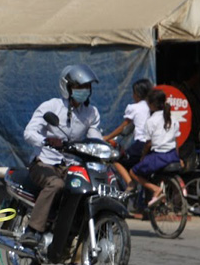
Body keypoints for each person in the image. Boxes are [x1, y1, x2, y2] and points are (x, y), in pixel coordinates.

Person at [20, 64, 104, 248]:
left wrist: (105, 147)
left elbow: (94, 137)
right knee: (55, 184)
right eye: (79, 87)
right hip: (44, 162)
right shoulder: (51, 106)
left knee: (87, 187)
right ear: (67, 87)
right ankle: (33, 231)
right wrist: (46, 140)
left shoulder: (91, 113)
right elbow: (29, 132)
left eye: (87, 87)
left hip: (72, 164)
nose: (84, 91)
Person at [129, 89, 181, 205]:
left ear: (151, 105)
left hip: (158, 157)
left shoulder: (151, 121)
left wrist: (143, 156)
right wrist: (178, 157)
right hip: (172, 155)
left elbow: (148, 144)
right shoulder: (173, 119)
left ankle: (155, 189)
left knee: (133, 171)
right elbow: (176, 141)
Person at [104, 77, 154, 191]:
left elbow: (123, 127)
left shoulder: (134, 108)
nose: (132, 96)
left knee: (116, 160)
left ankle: (130, 184)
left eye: (133, 93)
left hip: (141, 144)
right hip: (154, 144)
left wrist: (108, 137)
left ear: (137, 94)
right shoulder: (153, 107)